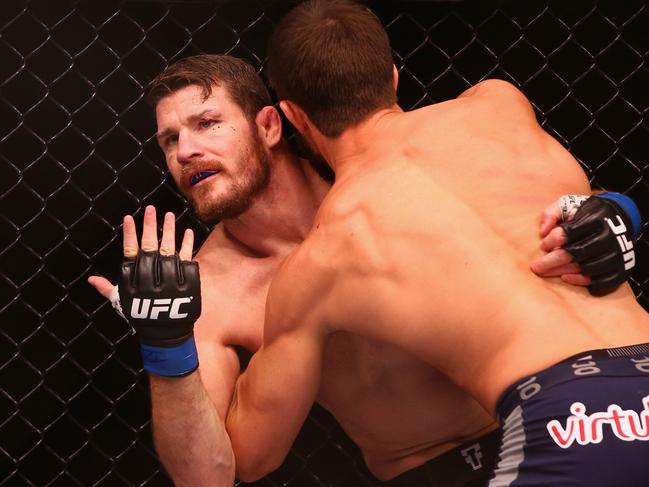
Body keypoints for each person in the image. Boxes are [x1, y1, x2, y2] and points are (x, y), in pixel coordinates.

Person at [88, 52, 637, 487]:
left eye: (207, 123)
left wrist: (616, 214)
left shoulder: (385, 180)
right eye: (170, 140)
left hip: (550, 419)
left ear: (270, 127)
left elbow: (525, 198)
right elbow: (210, 476)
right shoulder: (210, 289)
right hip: (428, 472)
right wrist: (166, 348)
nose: (187, 150)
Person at [210, 1, 648, 485]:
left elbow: (249, 457)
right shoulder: (500, 104)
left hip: (564, 422)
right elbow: (577, 202)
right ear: (393, 79)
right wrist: (624, 211)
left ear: (293, 116)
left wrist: (168, 343)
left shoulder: (325, 256)